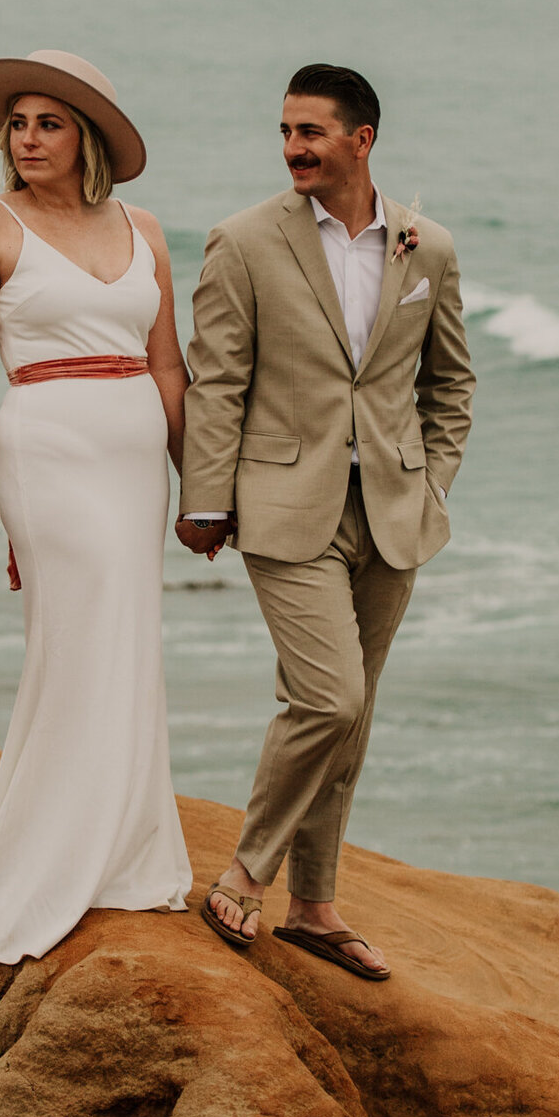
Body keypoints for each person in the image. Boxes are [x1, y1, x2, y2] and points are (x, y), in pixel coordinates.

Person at [175, 64, 475, 980]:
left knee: (356, 711)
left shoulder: (428, 249)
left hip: (391, 511)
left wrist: (432, 485)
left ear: (362, 140)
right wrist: (204, 498)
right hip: (282, 503)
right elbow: (217, 379)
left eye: (310, 131)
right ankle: (245, 872)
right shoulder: (243, 241)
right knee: (329, 697)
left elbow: (450, 384)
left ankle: (314, 906)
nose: (293, 148)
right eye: (285, 131)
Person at [0, 49, 193, 960]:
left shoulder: (143, 228)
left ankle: (126, 851)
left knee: (129, 633)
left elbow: (166, 365)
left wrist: (203, 485)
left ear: (88, 139)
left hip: (135, 452)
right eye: (18, 124)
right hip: (51, 445)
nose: (28, 139)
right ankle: (56, 852)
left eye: (49, 124)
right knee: (82, 631)